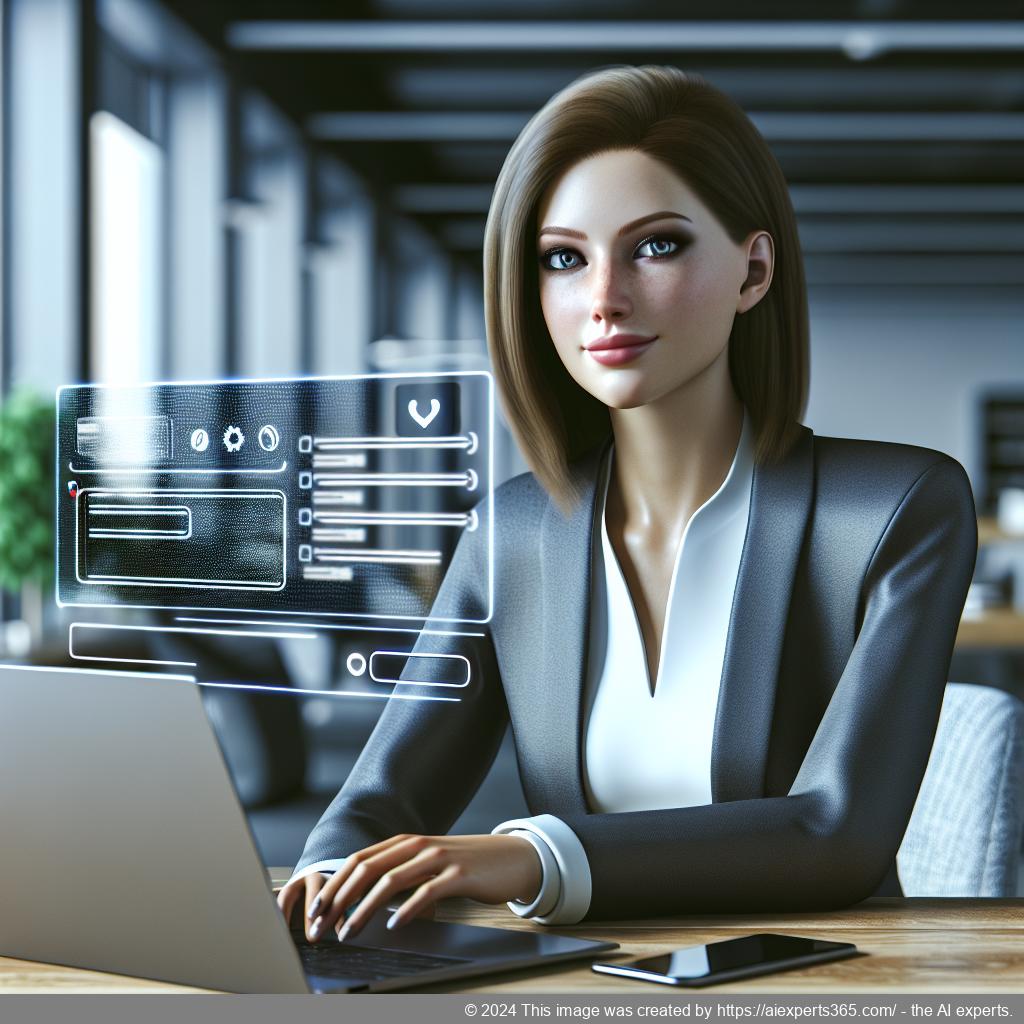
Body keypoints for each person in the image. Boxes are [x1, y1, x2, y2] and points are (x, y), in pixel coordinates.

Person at [277, 65, 977, 942]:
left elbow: (835, 835)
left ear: (753, 269)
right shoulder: (514, 532)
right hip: (582, 983)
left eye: (656, 246)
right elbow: (376, 802)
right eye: (563, 258)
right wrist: (325, 880)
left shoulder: (894, 510)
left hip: (815, 981)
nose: (603, 299)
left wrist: (532, 856)